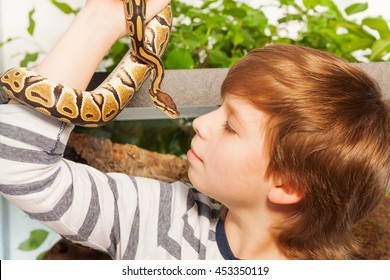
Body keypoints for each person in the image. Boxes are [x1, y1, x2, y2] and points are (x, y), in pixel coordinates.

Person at [1, 0, 389, 260]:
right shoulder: (155, 216)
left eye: (231, 126)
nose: (199, 123)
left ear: (287, 185)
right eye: (216, 109)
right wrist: (100, 19)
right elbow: (17, 164)